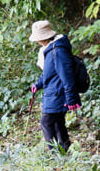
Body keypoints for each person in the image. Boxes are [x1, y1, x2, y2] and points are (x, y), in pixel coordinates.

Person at [28, 20, 81, 152]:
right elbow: (49, 73)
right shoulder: (50, 49)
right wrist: (38, 84)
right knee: (57, 123)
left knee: (47, 122)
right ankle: (64, 151)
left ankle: (55, 153)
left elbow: (66, 75)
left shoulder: (58, 51)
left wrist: (71, 98)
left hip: (58, 94)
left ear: (42, 38)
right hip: (53, 92)